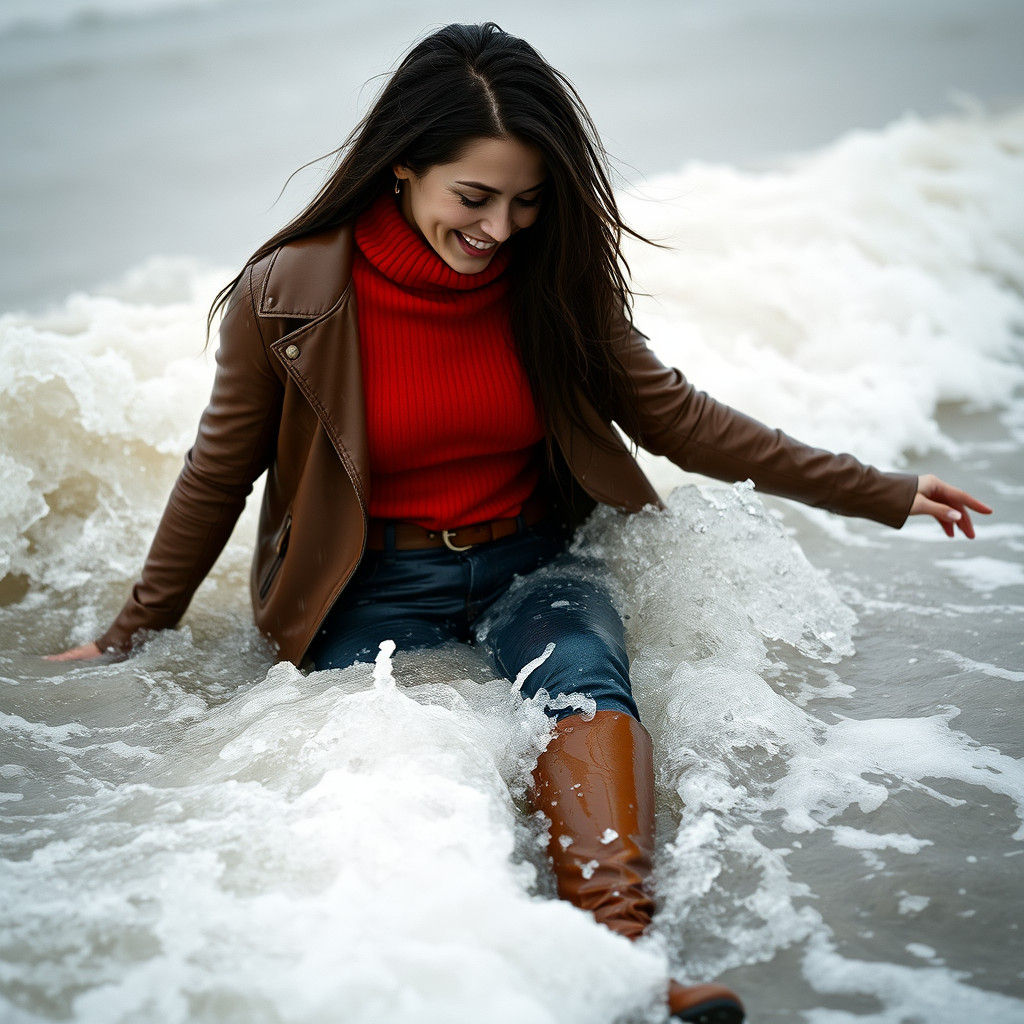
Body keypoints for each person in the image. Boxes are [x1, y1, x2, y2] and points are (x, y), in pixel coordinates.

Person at [47, 22, 991, 1023]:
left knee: (586, 687)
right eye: (474, 197)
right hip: (367, 587)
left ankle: (627, 961)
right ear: (404, 166)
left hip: (533, 562)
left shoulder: (551, 277)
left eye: (527, 200)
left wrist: (878, 490)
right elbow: (218, 472)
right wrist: (133, 628)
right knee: (381, 758)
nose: (500, 228)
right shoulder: (287, 294)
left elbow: (677, 417)